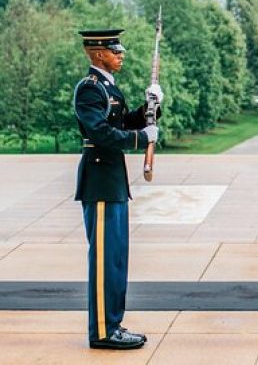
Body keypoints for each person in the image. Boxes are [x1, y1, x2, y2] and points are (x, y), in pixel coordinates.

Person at [73, 29, 162, 350]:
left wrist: (150, 109)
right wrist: (143, 138)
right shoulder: (89, 89)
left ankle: (113, 324)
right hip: (99, 181)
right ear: (98, 54)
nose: (121, 55)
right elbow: (101, 132)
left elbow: (122, 124)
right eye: (115, 51)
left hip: (113, 182)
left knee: (116, 259)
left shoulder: (109, 87)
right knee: (104, 260)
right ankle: (102, 331)